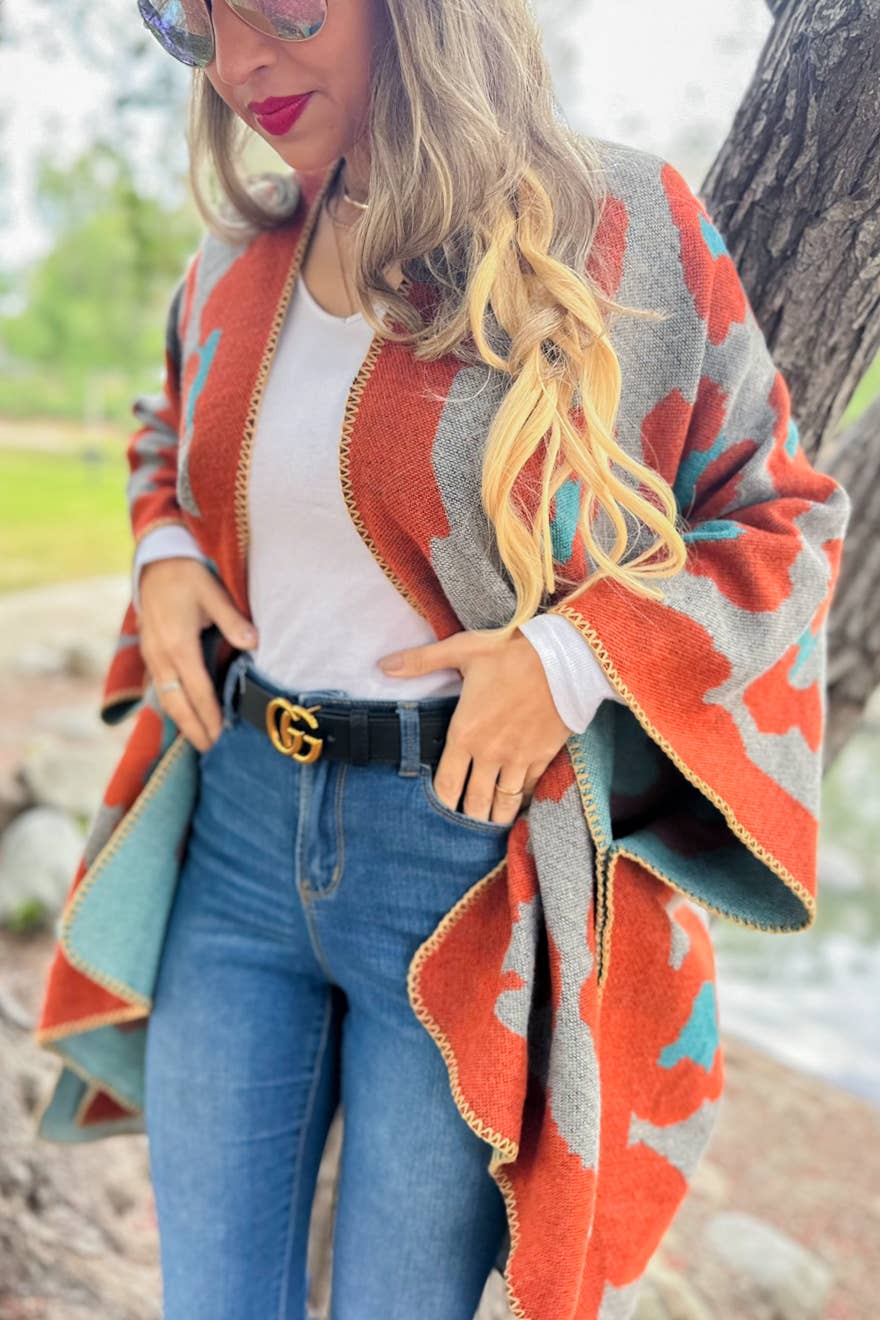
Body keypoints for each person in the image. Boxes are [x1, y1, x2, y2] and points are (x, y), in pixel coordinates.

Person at [32, 0, 852, 1317]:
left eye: (278, 7)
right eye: (196, 24)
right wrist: (163, 550)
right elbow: (165, 419)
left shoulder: (620, 223)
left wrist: (571, 659)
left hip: (464, 870)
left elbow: (783, 522)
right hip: (234, 832)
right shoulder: (241, 254)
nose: (239, 66)